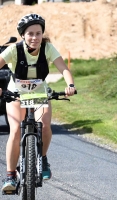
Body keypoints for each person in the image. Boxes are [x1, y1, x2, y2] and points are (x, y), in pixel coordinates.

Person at [0, 13, 76, 192]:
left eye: (38, 33)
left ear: (43, 34)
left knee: (45, 125)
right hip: (17, 94)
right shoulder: (14, 50)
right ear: (23, 35)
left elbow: (63, 68)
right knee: (16, 130)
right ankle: (10, 175)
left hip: (40, 94)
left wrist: (70, 85)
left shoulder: (48, 48)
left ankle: (42, 158)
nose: (34, 37)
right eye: (30, 34)